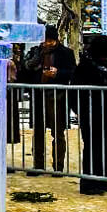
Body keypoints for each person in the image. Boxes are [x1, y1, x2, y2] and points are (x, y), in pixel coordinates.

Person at [73, 35, 107, 195]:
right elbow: (76, 92)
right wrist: (82, 111)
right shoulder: (86, 66)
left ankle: (102, 180)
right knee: (93, 148)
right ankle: (89, 183)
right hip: (92, 114)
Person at [21, 26, 76, 174]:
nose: (47, 43)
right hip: (38, 95)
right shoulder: (35, 52)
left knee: (58, 132)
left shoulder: (66, 53)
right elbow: (26, 68)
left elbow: (72, 72)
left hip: (57, 96)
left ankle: (58, 166)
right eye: (45, 40)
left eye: (50, 40)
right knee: (38, 131)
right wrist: (36, 59)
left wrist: (58, 73)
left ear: (56, 40)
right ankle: (38, 164)